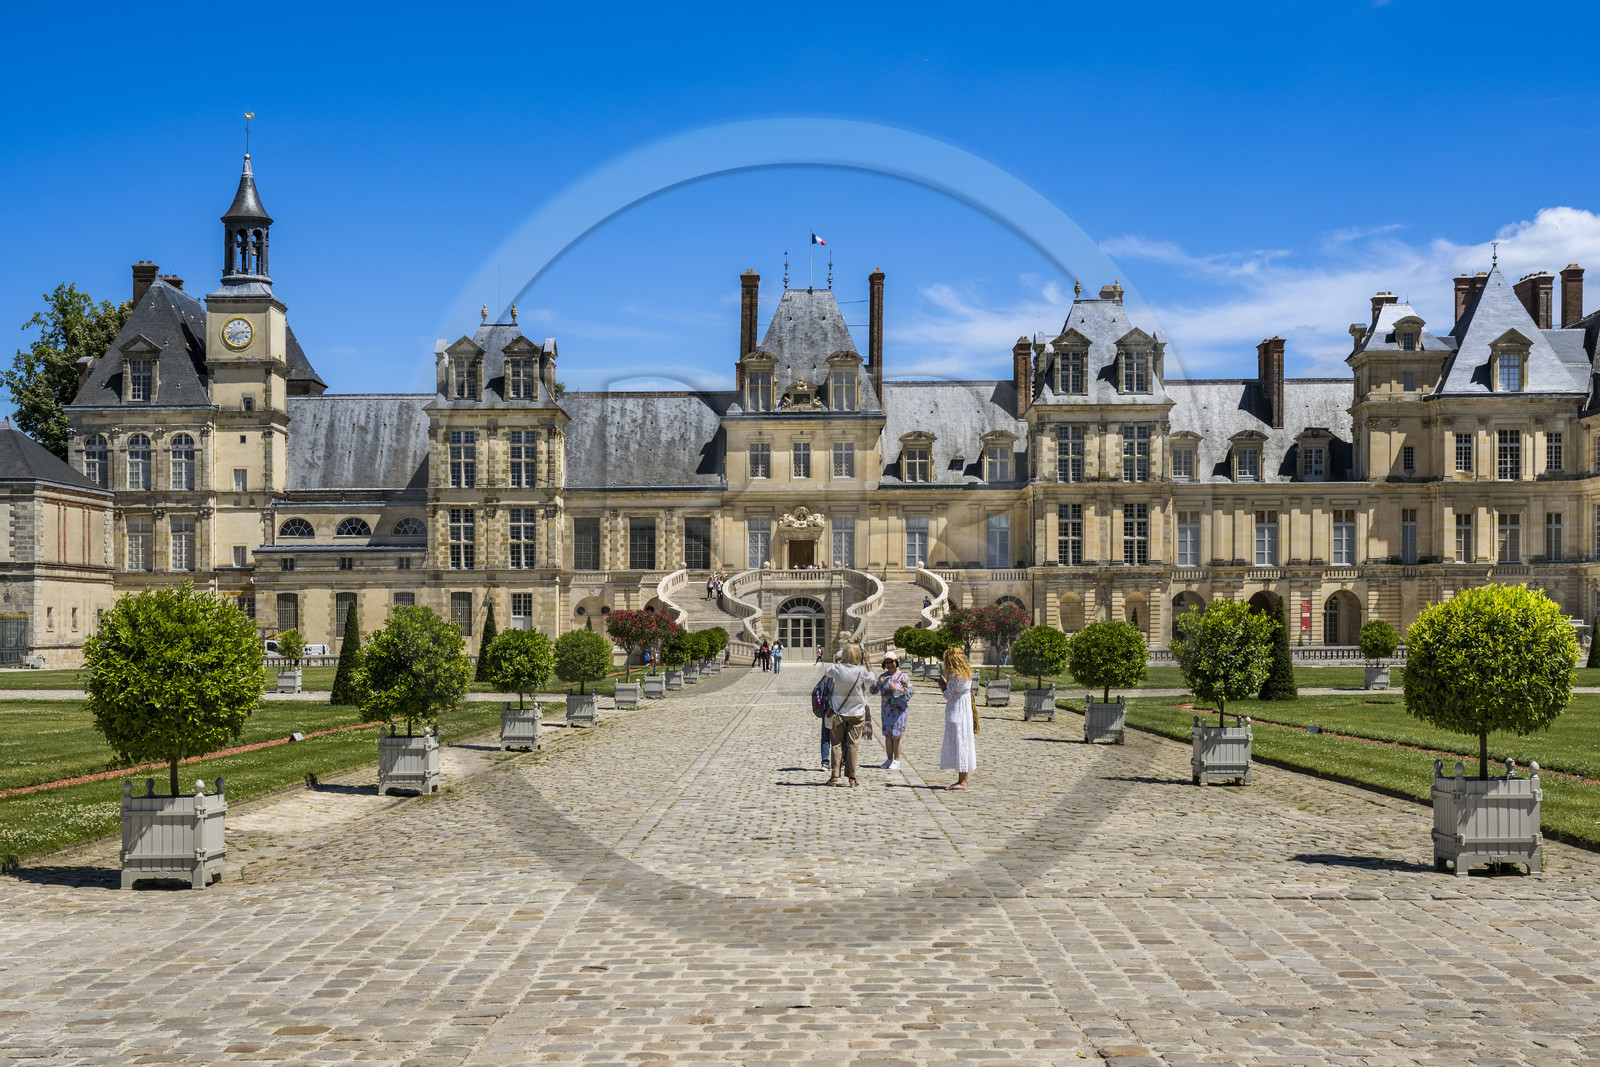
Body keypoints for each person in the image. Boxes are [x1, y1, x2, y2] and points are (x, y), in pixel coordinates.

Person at [823, 643, 873, 787]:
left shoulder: (837, 669)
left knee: (836, 744)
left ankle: (834, 776)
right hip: (857, 712)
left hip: (839, 712)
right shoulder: (861, 670)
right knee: (853, 745)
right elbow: (871, 680)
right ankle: (852, 777)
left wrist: (838, 660)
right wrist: (868, 663)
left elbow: (827, 672)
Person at [936, 646, 977, 790]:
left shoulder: (955, 675)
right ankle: (963, 779)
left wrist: (942, 685)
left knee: (959, 744)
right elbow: (956, 690)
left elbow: (948, 694)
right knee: (964, 744)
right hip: (965, 712)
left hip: (957, 712)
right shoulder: (967, 673)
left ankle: (962, 781)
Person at [870, 653, 913, 770]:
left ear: (896, 662)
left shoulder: (903, 676)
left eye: (891, 662)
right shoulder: (883, 677)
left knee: (897, 735)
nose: (889, 665)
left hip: (899, 710)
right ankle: (889, 759)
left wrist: (897, 689)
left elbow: (910, 692)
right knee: (888, 735)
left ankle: (897, 760)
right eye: (887, 662)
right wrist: (878, 683)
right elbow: (872, 690)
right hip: (886, 710)